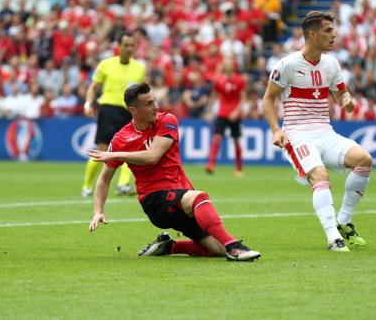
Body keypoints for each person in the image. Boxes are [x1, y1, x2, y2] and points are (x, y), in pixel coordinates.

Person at [88, 83, 261, 262]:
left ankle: (169, 246)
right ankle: (235, 247)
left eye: (154, 101)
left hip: (180, 193)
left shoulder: (167, 120)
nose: (155, 106)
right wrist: (98, 211)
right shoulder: (121, 139)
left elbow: (152, 156)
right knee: (199, 197)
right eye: (148, 103)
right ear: (133, 109)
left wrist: (115, 154)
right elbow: (104, 180)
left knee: (217, 248)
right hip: (155, 200)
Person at [262, 11, 373, 252]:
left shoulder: (331, 64)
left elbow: (341, 92)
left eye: (333, 30)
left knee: (364, 160)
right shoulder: (287, 65)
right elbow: (268, 99)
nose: (334, 35)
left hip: (325, 131)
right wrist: (275, 130)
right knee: (320, 177)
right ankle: (334, 238)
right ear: (312, 34)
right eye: (328, 31)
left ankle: (344, 220)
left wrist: (346, 100)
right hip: (297, 134)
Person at [81, 32, 146, 197]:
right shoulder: (106, 64)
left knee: (131, 151)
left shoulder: (139, 68)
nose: (130, 48)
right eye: (126, 45)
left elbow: (140, 94)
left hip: (128, 112)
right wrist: (88, 103)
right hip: (108, 109)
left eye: (132, 45)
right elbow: (93, 87)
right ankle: (87, 185)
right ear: (119, 47)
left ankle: (123, 184)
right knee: (103, 151)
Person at [205, 59, 246, 176]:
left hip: (234, 114)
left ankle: (239, 168)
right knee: (217, 137)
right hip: (222, 113)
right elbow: (214, 95)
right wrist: (209, 111)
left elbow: (243, 97)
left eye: (228, 63)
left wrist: (237, 111)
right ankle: (211, 165)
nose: (226, 65)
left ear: (233, 66)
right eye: (225, 63)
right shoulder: (218, 80)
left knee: (236, 140)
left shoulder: (239, 80)